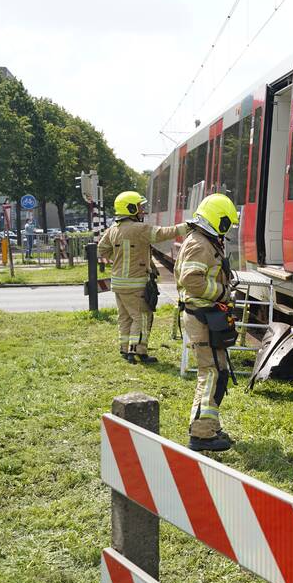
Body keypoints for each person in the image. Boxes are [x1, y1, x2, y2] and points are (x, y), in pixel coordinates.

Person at [176, 193, 239, 452]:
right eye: (227, 223)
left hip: (207, 315)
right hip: (202, 316)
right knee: (212, 373)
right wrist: (223, 293)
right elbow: (191, 280)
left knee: (216, 372)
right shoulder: (200, 244)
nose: (228, 229)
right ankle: (202, 434)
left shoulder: (205, 240)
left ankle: (207, 427)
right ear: (217, 220)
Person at [98, 191, 188, 363]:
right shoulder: (140, 229)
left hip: (118, 283)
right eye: (139, 207)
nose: (142, 211)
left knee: (125, 317)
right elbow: (164, 233)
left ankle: (125, 349)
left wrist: (118, 258)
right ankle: (137, 351)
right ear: (130, 208)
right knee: (142, 316)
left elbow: (101, 250)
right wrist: (188, 226)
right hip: (135, 283)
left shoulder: (113, 230)